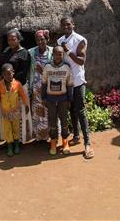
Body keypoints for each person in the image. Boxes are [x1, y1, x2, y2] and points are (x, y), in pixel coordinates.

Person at [57, 16, 93, 159]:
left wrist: (67, 50)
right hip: (66, 82)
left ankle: (88, 143)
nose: (66, 27)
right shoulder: (60, 41)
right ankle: (76, 136)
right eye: (63, 25)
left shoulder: (80, 40)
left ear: (73, 25)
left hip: (78, 82)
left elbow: (81, 60)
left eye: (68, 24)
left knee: (81, 110)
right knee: (71, 109)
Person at [0, 28, 32, 143]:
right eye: (9, 40)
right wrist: (3, 80)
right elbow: (1, 67)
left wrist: (11, 80)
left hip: (19, 87)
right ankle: (9, 139)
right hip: (5, 88)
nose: (11, 42)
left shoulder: (24, 53)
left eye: (13, 39)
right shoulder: (6, 51)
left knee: (19, 113)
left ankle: (20, 139)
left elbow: (23, 72)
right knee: (7, 113)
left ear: (19, 39)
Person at [42, 45, 73, 156]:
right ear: (52, 55)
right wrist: (44, 97)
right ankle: (53, 142)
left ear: (63, 55)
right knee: (52, 121)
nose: (58, 56)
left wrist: (70, 99)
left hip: (63, 99)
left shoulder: (67, 66)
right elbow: (44, 83)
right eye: (56, 54)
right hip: (50, 99)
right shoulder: (47, 67)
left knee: (64, 120)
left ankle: (65, 141)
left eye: (61, 54)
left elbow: (69, 84)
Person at [0, 63, 30, 157]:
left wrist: (26, 105)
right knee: (7, 129)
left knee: (16, 128)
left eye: (10, 74)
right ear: (2, 75)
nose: (8, 76)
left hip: (15, 112)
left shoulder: (17, 84)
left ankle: (16, 145)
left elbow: (23, 95)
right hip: (5, 112)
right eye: (6, 74)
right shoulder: (0, 85)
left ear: (13, 73)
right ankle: (9, 146)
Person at [27, 29, 53, 142]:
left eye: (42, 39)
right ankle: (39, 137)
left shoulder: (52, 51)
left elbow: (57, 69)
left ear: (47, 39)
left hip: (50, 86)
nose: (40, 42)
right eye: (37, 40)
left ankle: (51, 136)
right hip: (36, 87)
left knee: (50, 110)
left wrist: (43, 71)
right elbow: (29, 71)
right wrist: (29, 87)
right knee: (37, 111)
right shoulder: (31, 52)